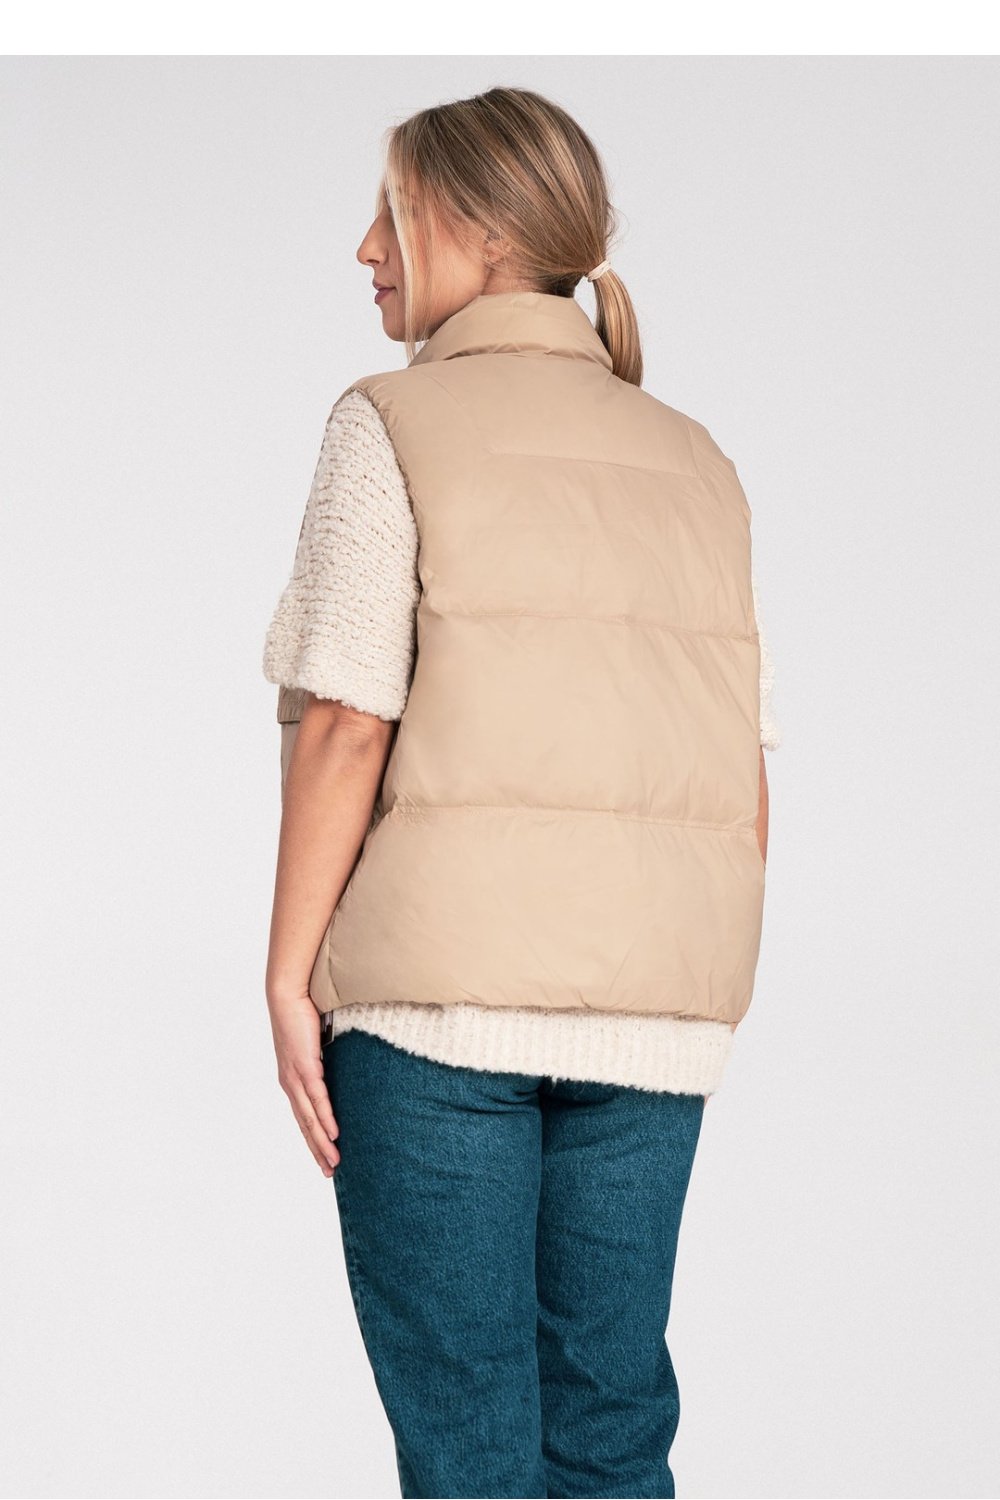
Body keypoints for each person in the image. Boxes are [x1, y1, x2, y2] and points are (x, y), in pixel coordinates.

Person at [262, 86, 780, 1500]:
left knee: (470, 1441)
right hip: (655, 1021)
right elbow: (743, 764)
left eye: (391, 211)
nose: (366, 248)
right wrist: (700, 981)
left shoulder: (391, 422)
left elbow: (345, 728)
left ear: (481, 231)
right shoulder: (697, 462)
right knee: (610, 1429)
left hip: (435, 1018)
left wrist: (288, 978)